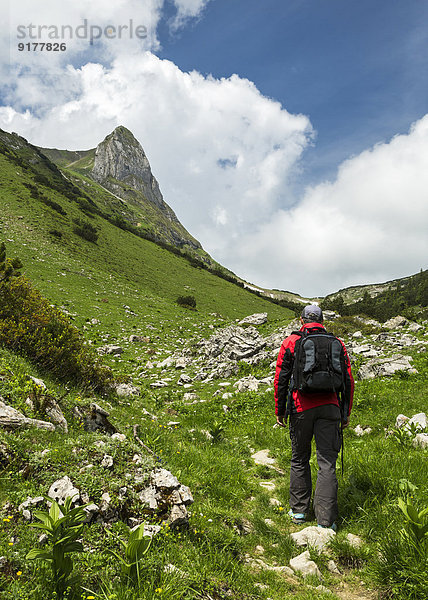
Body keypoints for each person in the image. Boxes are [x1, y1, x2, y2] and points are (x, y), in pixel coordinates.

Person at [274, 304, 354, 530]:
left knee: (299, 458)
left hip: (301, 408)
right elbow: (348, 380)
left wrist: (280, 410)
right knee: (327, 462)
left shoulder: (291, 342)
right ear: (322, 321)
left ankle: (299, 512)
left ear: (301, 321)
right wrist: (344, 412)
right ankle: (326, 522)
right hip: (331, 408)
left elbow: (281, 378)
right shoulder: (337, 343)